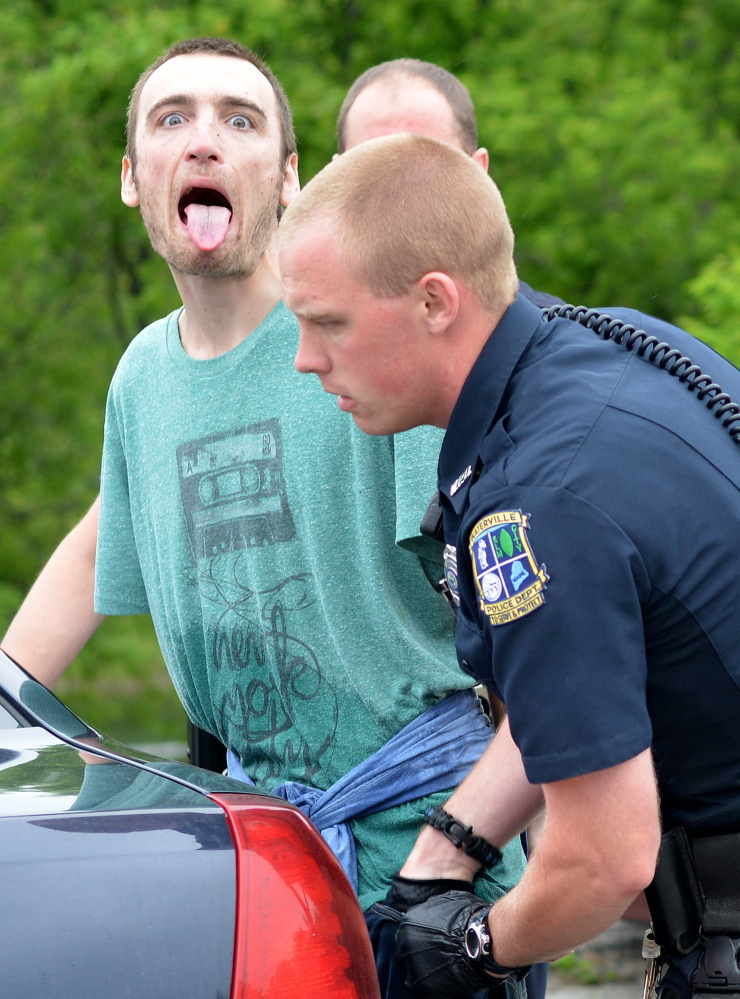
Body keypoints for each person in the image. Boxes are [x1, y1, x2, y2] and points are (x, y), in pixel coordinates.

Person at [2, 39, 527, 999]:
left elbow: (535, 630)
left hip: (439, 878)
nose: (205, 142)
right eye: (172, 120)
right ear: (132, 179)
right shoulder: (142, 380)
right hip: (268, 881)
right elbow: (100, 540)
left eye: (240, 121)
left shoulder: (373, 335)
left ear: (291, 179)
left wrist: (454, 856)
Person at [278, 131, 740, 999]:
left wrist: (475, 943)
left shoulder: (535, 505)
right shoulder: (615, 350)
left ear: (434, 301)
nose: (305, 357)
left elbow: (603, 857)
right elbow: (576, 690)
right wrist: (443, 856)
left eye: (326, 321)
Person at [337, 58, 561, 311]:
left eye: (427, 165)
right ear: (332, 181)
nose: (400, 194)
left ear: (480, 173)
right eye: (371, 169)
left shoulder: (568, 339)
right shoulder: (301, 336)